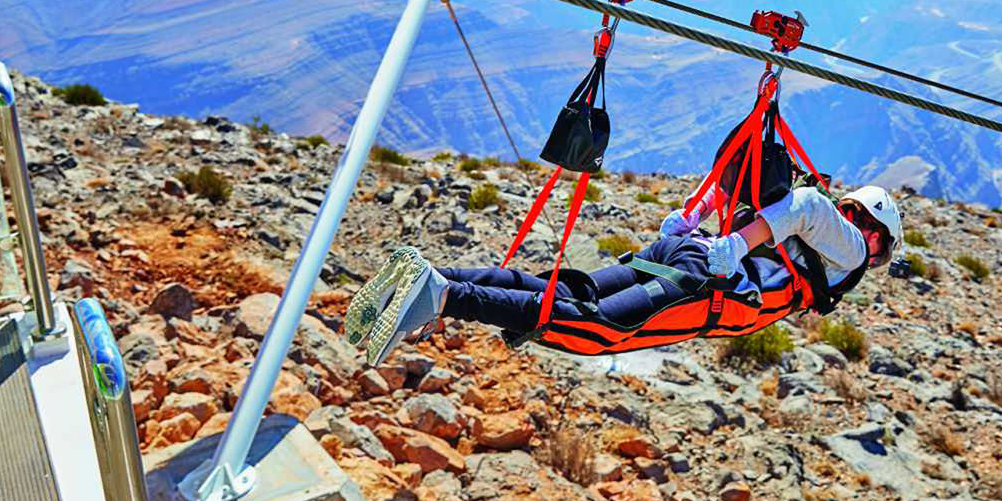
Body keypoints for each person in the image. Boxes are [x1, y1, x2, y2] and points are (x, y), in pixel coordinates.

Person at [343, 183, 903, 365]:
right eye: (880, 250)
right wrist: (735, 242)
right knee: (598, 329)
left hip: (689, 255)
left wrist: (696, 215)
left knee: (563, 290)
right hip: (711, 283)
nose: (871, 261)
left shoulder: (801, 236)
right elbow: (805, 204)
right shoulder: (850, 249)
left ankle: (432, 275)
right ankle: (441, 294)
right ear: (873, 230)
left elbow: (734, 176)